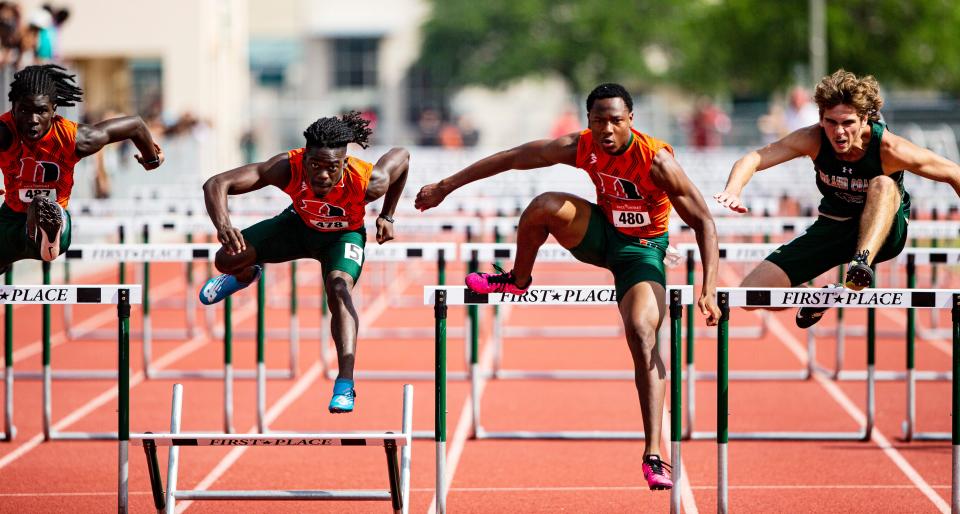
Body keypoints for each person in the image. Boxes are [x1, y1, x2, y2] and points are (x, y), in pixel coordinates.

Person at [416, 83, 721, 490]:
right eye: (598, 121)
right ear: (588, 121)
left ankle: (653, 454)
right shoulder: (581, 146)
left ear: (631, 119)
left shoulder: (657, 162)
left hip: (642, 251)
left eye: (615, 120)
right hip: (598, 234)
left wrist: (709, 287)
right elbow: (512, 158)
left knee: (643, 333)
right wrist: (444, 186)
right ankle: (517, 279)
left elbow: (704, 221)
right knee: (544, 205)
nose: (607, 129)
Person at [198, 111, 409, 414]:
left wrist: (387, 214)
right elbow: (216, 184)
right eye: (315, 165)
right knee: (225, 259)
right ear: (304, 158)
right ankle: (245, 275)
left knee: (339, 289)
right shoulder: (287, 167)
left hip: (342, 238)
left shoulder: (368, 181)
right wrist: (223, 225)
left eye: (331, 168)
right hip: (296, 227)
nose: (322, 175)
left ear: (345, 164)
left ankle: (345, 382)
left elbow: (402, 157)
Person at [714, 69, 960, 328]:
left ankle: (861, 262)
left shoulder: (890, 148)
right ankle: (818, 297)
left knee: (883, 184)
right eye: (831, 122)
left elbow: (954, 172)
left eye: (848, 123)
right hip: (833, 226)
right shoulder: (812, 139)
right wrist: (733, 189)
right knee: (751, 293)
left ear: (865, 120)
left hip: (884, 232)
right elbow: (753, 158)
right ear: (821, 119)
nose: (839, 132)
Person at [0, 64, 163, 275]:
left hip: (53, 215)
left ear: (54, 109)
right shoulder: (4, 132)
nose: (33, 120)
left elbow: (136, 125)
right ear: (13, 107)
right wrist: (151, 161)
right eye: (24, 111)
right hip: (11, 214)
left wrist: (151, 159)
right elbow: (137, 126)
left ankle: (48, 234)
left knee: (43, 210)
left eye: (41, 111)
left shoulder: (73, 138)